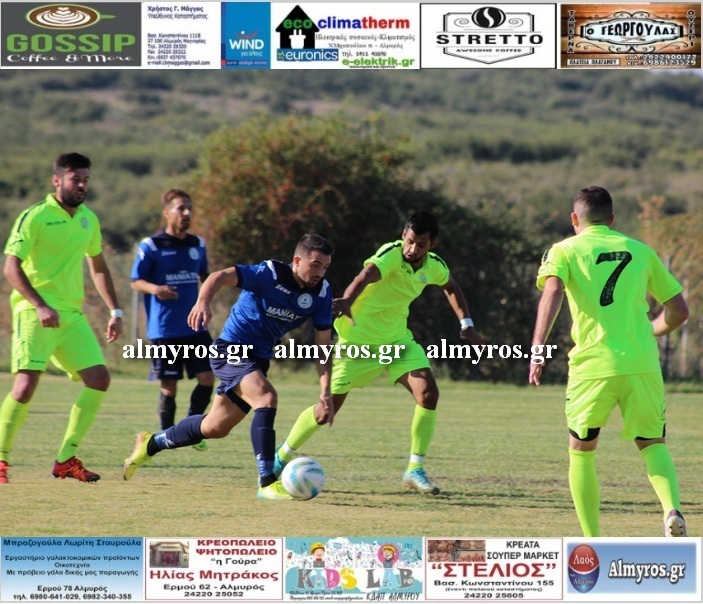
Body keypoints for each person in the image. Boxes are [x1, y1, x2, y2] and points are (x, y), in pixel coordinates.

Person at [274, 211, 484, 495]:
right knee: (325, 412)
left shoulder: (434, 265)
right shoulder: (391, 254)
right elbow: (366, 274)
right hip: (357, 342)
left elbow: (451, 286)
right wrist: (348, 299)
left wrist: (467, 324)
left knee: (428, 394)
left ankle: (415, 469)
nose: (412, 249)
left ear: (431, 245)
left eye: (421, 245)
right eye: (410, 241)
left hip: (396, 341)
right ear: (403, 235)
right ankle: (281, 456)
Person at [528, 185, 689, 537]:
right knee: (652, 444)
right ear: (612, 219)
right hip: (641, 363)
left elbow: (552, 290)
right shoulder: (640, 250)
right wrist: (650, 330)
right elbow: (679, 311)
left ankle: (592, 540)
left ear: (574, 219)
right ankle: (671, 509)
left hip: (592, 366)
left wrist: (538, 346)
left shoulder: (563, 250)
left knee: (581, 451)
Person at [123, 234, 334, 500]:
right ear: (297, 260)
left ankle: (150, 443)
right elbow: (219, 276)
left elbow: (323, 347)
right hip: (230, 349)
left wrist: (325, 392)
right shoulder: (269, 274)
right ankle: (267, 482)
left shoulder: (322, 293)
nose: (320, 273)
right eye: (315, 265)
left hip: (258, 359)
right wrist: (202, 302)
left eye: (325, 267)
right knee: (266, 397)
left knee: (215, 428)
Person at [0, 152, 124, 484]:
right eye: (75, 179)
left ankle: (66, 459)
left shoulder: (88, 219)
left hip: (71, 314)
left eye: (86, 180)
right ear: (57, 180)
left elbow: (98, 267)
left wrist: (115, 311)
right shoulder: (35, 216)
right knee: (25, 386)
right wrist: (40, 305)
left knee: (99, 378)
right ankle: (1, 460)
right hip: (34, 311)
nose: (81, 185)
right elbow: (11, 267)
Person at [130, 189, 214, 450]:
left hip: (195, 326)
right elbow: (136, 281)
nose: (187, 213)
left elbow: (205, 276)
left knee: (208, 377)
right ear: (167, 213)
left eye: (189, 208)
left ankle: (191, 430)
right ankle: (167, 435)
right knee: (169, 386)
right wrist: (156, 289)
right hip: (165, 329)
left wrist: (206, 300)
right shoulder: (152, 246)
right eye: (181, 208)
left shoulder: (198, 244)